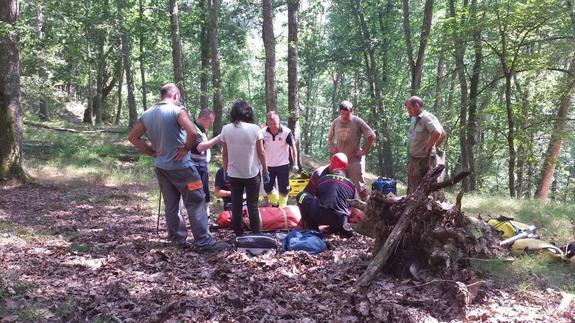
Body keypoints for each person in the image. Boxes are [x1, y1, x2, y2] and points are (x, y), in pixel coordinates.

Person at [127, 83, 226, 252]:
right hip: (183, 167)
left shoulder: (147, 114)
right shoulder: (177, 110)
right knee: (196, 201)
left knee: (172, 204)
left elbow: (133, 137)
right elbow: (193, 132)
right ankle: (203, 242)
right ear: (174, 96)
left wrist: (152, 152)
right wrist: (186, 148)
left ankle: (177, 240)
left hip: (162, 167)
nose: (179, 100)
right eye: (178, 97)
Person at [220, 100, 269, 237]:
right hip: (252, 174)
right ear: (248, 113)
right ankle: (256, 234)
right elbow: (261, 152)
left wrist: (225, 171)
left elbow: (225, 153)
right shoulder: (255, 129)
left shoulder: (226, 129)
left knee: (236, 205)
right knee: (253, 205)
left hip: (234, 174)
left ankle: (239, 235)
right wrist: (265, 169)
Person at [296, 153, 356, 238]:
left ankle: (311, 227)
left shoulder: (322, 178)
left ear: (331, 166)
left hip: (321, 215)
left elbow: (309, 194)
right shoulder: (351, 184)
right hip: (341, 219)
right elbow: (353, 207)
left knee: (301, 195)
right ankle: (338, 227)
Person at [327, 100, 376, 200]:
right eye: (342, 113)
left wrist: (364, 151)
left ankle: (365, 208)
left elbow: (371, 136)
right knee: (340, 185)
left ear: (351, 111)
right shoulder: (336, 122)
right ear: (340, 112)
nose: (345, 115)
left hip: (354, 160)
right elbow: (329, 138)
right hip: (340, 162)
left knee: (359, 187)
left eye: (347, 113)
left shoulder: (357, 121)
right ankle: (346, 208)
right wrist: (332, 147)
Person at [405, 96, 447, 194]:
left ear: (417, 105)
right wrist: (410, 160)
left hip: (424, 160)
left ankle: (427, 208)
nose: (409, 112)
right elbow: (412, 140)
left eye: (410, 108)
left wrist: (430, 147)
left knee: (425, 188)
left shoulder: (427, 117)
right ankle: (413, 208)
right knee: (414, 188)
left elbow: (439, 133)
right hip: (414, 159)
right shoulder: (414, 119)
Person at [262, 111, 298, 208]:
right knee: (267, 187)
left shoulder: (286, 132)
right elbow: (259, 148)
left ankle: (282, 207)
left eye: (275, 123)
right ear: (267, 123)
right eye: (270, 124)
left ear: (279, 121)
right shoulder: (263, 132)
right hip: (268, 165)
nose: (273, 126)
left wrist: (295, 163)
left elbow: (293, 147)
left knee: (284, 188)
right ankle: (276, 201)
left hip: (282, 164)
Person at [189, 109, 219, 214]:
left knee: (205, 194)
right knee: (197, 195)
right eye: (210, 122)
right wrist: (217, 138)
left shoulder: (201, 130)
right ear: (203, 118)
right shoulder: (193, 130)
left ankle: (205, 220)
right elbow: (199, 147)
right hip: (194, 168)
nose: (211, 125)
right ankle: (200, 222)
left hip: (201, 167)